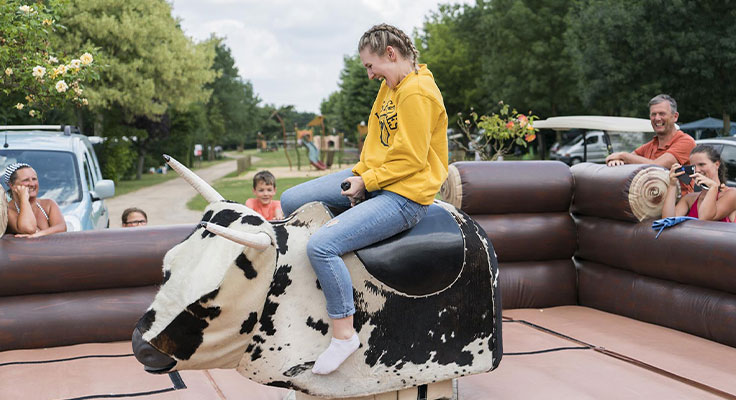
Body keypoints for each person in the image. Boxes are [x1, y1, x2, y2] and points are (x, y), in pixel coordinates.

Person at [280, 23, 448, 375]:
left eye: (371, 66)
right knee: (291, 199)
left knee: (322, 246)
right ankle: (331, 277)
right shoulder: (391, 86)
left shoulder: (417, 93)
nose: (369, 74)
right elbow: (377, 144)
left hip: (405, 195)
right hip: (373, 180)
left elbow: (411, 159)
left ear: (391, 54)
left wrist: (365, 182)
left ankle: (344, 335)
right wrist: (360, 176)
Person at [606, 94, 696, 191]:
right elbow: (627, 163)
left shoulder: (686, 142)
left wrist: (623, 156)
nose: (657, 118)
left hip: (681, 204)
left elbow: (656, 166)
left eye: (662, 114)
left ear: (675, 117)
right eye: (653, 114)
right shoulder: (649, 146)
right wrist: (616, 162)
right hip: (652, 202)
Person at [662, 145, 735, 222]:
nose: (697, 170)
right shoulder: (689, 199)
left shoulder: (731, 194)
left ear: (717, 164)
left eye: (701, 164)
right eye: (693, 167)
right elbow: (667, 220)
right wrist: (672, 184)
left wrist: (713, 187)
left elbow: (705, 218)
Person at [4, 163, 66, 237]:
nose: (32, 184)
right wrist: (24, 198)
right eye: (26, 180)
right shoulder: (7, 210)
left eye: (34, 179)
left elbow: (62, 227)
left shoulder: (48, 204)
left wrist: (39, 234)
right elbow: (29, 229)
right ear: (12, 185)